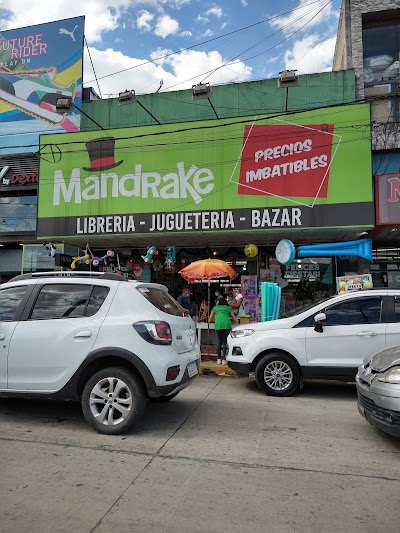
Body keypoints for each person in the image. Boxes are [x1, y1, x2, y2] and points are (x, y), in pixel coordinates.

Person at [208, 298, 236, 365]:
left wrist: (216, 320)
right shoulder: (228, 308)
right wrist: (231, 321)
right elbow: (234, 319)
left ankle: (218, 359)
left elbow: (209, 320)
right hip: (227, 325)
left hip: (218, 325)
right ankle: (224, 359)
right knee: (225, 342)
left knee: (219, 342)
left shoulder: (215, 308)